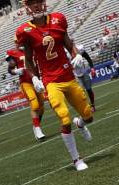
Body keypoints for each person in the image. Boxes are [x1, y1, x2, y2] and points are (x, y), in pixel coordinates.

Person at [16, 0, 95, 172]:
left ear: (43, 3)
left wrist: (76, 54)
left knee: (89, 116)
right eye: (32, 3)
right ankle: (76, 159)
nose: (36, 6)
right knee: (64, 117)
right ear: (27, 8)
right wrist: (35, 78)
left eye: (38, 2)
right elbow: (28, 59)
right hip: (51, 81)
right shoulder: (25, 31)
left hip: (68, 76)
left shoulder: (58, 19)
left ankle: (80, 123)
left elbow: (68, 42)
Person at [6, 40, 47, 141]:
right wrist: (15, 71)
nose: (20, 44)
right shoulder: (14, 53)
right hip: (26, 82)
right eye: (18, 42)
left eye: (22, 42)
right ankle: (37, 129)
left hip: (36, 81)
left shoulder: (33, 50)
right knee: (35, 104)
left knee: (41, 107)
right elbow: (10, 68)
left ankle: (36, 126)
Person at [69, 43, 97, 109]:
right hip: (76, 75)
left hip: (84, 72)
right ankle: (85, 107)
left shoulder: (80, 50)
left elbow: (88, 59)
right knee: (81, 92)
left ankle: (92, 105)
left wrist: (92, 68)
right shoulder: (67, 53)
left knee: (89, 89)